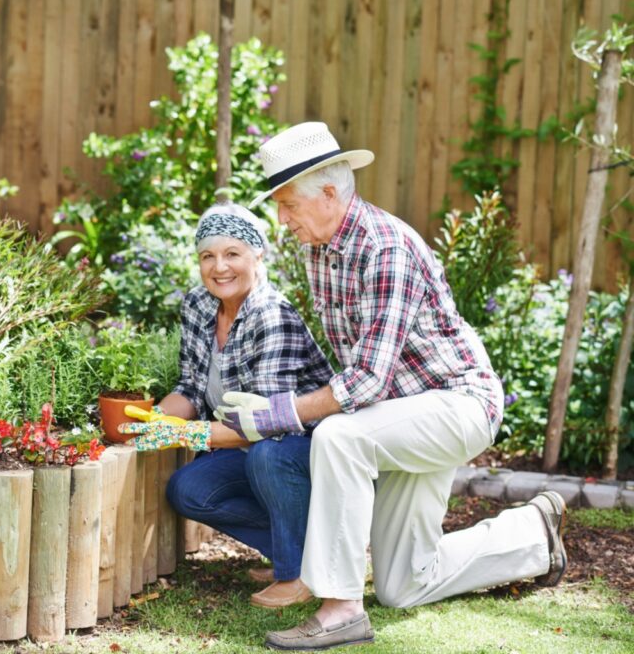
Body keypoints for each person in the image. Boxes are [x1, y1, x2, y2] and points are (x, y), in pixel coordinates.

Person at [216, 121, 567, 651]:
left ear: (330, 193)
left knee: (339, 435)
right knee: (406, 584)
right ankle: (533, 536)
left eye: (287, 205)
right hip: (403, 415)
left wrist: (273, 415)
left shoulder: (385, 248)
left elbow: (364, 381)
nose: (281, 219)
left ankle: (340, 610)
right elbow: (355, 374)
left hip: (458, 405)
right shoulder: (320, 251)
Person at [119, 202, 333, 608]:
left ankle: (295, 575)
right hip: (248, 443)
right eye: (208, 256)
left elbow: (272, 425)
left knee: (266, 457)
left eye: (233, 254)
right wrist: (156, 420)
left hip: (302, 448)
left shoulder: (272, 316)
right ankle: (303, 551)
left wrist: (190, 433)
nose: (220, 267)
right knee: (189, 490)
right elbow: (191, 387)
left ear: (257, 256)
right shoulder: (199, 305)